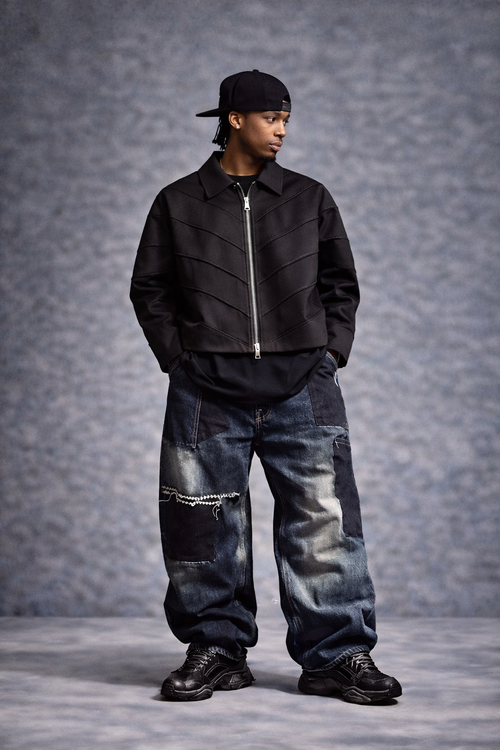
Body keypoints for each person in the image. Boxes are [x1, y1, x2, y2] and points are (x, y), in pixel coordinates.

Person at [130, 70, 402, 704]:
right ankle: (217, 650)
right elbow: (150, 288)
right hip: (205, 390)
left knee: (325, 522)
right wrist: (179, 359)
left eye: (286, 118)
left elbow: (340, 284)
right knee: (201, 525)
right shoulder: (178, 202)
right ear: (235, 120)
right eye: (271, 117)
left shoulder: (309, 198)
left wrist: (329, 353)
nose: (281, 129)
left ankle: (337, 656)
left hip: (304, 388)